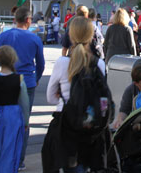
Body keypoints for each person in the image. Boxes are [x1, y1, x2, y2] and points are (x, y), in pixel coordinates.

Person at [44, 16, 108, 172]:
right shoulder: (99, 63)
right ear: (91, 36)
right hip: (91, 126)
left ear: (70, 36)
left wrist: (63, 94)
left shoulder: (62, 63)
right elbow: (102, 97)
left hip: (66, 125)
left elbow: (50, 98)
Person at [0, 7, 45, 170]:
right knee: (24, 122)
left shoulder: (4, 35)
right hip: (26, 82)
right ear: (28, 20)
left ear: (15, 19)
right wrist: (35, 79)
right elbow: (41, 64)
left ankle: (1, 155)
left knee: (2, 119)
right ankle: (19, 159)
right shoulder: (34, 38)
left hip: (5, 81)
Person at [0, 45, 30, 172]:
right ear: (13, 60)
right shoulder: (19, 79)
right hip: (12, 115)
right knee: (10, 147)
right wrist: (26, 121)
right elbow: (24, 102)